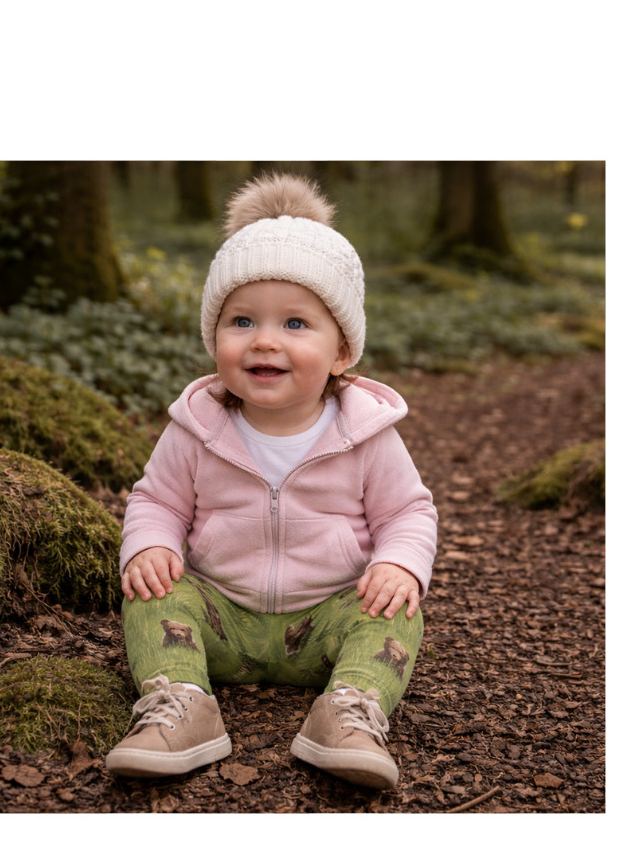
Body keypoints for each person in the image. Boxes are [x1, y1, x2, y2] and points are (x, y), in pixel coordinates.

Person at [104, 174, 438, 790]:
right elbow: (157, 500)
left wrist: (399, 565)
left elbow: (408, 514)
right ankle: (181, 703)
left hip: (328, 619)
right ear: (215, 339)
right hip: (219, 617)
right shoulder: (197, 426)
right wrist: (150, 544)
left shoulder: (366, 433)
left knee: (395, 612)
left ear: (342, 352)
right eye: (241, 321)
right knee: (152, 593)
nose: (264, 340)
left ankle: (350, 712)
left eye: (294, 324)